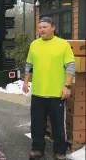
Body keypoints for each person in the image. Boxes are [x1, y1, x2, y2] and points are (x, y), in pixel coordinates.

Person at [23, 17, 76, 160]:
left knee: (58, 126)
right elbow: (29, 64)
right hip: (38, 93)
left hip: (57, 94)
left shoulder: (62, 44)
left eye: (45, 27)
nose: (42, 30)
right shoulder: (34, 44)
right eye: (40, 27)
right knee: (37, 124)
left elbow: (70, 65)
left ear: (53, 27)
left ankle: (59, 151)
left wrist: (67, 86)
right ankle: (37, 148)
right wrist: (26, 81)